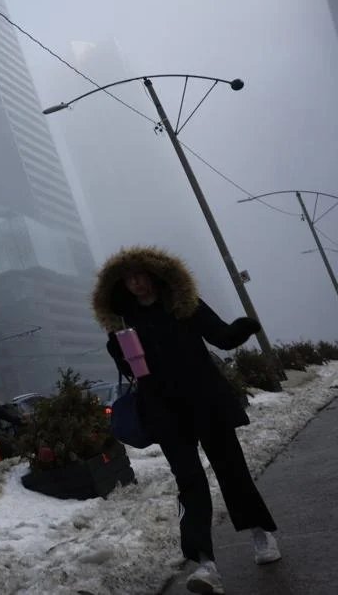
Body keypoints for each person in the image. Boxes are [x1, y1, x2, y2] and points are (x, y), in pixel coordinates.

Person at [93, 247, 279, 594]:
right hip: (165, 413)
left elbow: (220, 336)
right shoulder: (124, 321)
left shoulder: (183, 302)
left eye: (140, 275)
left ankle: (261, 534)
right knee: (189, 483)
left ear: (154, 274)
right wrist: (117, 351)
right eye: (128, 279)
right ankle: (205, 564)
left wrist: (242, 328)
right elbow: (133, 372)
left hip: (205, 401)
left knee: (232, 471)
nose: (135, 284)